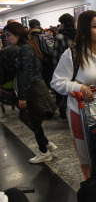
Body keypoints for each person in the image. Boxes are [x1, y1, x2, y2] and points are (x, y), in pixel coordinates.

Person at [51, 10, 96, 179]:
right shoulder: (72, 53)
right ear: (84, 28)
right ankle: (91, 187)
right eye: (94, 27)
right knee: (88, 157)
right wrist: (79, 87)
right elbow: (57, 82)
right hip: (82, 113)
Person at [4, 22, 58, 164]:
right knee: (32, 118)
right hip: (36, 85)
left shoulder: (25, 48)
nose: (7, 39)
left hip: (32, 88)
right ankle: (46, 144)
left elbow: (27, 73)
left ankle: (44, 152)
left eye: (9, 36)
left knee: (31, 118)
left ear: (17, 34)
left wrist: (22, 97)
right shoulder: (30, 44)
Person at [52, 13, 77, 119]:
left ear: (62, 24)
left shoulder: (60, 37)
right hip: (77, 67)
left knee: (64, 91)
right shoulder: (79, 35)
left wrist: (55, 71)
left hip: (64, 67)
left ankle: (64, 111)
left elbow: (56, 56)